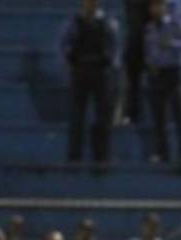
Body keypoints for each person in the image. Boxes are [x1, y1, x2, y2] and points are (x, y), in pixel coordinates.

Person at [61, 0, 120, 163]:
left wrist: (109, 63)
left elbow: (114, 48)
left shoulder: (107, 23)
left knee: (102, 117)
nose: (90, 5)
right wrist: (71, 60)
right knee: (77, 116)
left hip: (101, 74)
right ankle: (75, 155)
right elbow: (65, 45)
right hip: (80, 72)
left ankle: (102, 155)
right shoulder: (74, 23)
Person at [145, 0, 181, 169]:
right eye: (153, 6)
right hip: (156, 73)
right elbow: (149, 50)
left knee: (179, 114)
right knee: (159, 116)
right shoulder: (150, 28)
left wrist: (172, 44)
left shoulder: (176, 24)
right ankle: (162, 152)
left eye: (159, 5)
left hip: (172, 72)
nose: (156, 9)